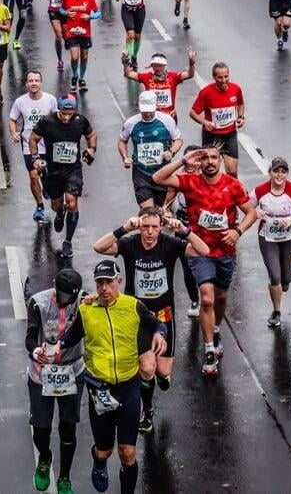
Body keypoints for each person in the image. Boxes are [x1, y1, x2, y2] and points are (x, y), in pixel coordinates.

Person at [93, 207, 208, 433]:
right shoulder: (130, 244)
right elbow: (99, 247)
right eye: (145, 226)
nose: (149, 232)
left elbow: (203, 250)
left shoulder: (170, 244)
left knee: (162, 372)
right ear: (139, 226)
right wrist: (124, 228)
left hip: (164, 315)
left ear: (161, 227)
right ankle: (147, 410)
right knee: (147, 368)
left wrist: (184, 230)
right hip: (137, 315)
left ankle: (161, 378)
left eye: (155, 227)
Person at [57, 261, 167, 494]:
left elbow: (157, 323)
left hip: (128, 387)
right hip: (100, 390)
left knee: (127, 452)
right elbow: (72, 336)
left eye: (109, 282)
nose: (104, 288)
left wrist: (159, 334)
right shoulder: (86, 310)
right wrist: (55, 347)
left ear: (119, 282)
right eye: (100, 283)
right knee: (104, 450)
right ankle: (99, 462)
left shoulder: (133, 306)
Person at [151, 147, 256, 377]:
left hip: (226, 250)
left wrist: (238, 231)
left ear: (220, 161)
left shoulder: (233, 185)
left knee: (220, 297)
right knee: (206, 298)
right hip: (200, 250)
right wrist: (182, 161)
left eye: (213, 158)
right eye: (205, 158)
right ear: (199, 162)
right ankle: (209, 350)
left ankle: (216, 330)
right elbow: (157, 178)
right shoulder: (190, 182)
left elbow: (251, 212)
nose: (209, 162)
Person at [25, 267, 86, 493]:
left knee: (68, 428)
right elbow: (30, 336)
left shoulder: (84, 302)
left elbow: (84, 329)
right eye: (62, 295)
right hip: (42, 374)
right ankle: (45, 457)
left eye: (70, 297)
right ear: (54, 285)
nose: (65, 301)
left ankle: (64, 477)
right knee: (41, 428)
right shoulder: (38, 303)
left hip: (71, 371)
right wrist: (35, 352)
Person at [32, 94, 97, 258]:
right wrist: (36, 158)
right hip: (53, 170)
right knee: (56, 204)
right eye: (63, 112)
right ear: (58, 109)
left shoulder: (80, 120)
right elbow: (32, 138)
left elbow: (91, 136)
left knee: (72, 201)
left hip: (72, 169)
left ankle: (68, 241)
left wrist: (91, 149)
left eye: (70, 112)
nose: (67, 116)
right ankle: (60, 213)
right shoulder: (47, 121)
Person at [253, 157, 291, 330]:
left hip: (288, 238)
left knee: (287, 278)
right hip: (267, 237)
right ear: (270, 172)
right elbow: (247, 207)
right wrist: (256, 211)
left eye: (283, 171)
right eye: (276, 171)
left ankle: (284, 283)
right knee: (274, 275)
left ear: (286, 173)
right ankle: (276, 311)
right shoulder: (260, 190)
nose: (279, 175)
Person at [9, 70, 59, 224]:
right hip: (29, 145)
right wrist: (14, 132)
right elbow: (12, 119)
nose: (34, 83)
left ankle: (46, 186)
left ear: (41, 83)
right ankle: (39, 206)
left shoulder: (50, 99)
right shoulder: (20, 102)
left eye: (36, 80)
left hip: (48, 145)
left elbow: (57, 117)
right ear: (26, 84)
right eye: (31, 81)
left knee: (47, 175)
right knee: (33, 175)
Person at [188, 62, 245, 177]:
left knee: (232, 172)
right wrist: (205, 122)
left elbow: (240, 104)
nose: (224, 80)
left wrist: (240, 117)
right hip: (211, 135)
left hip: (230, 134)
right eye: (220, 77)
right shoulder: (206, 93)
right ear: (214, 77)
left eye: (226, 76)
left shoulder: (236, 89)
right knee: (208, 170)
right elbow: (193, 112)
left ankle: (232, 193)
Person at [123, 48, 195, 118]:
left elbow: (189, 74)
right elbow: (128, 74)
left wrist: (191, 64)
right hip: (153, 117)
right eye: (155, 66)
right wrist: (125, 61)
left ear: (164, 65)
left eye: (160, 66)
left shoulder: (173, 77)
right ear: (152, 66)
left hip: (170, 116)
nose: (157, 69)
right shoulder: (147, 77)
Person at [117, 0, 152, 67]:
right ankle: (128, 56)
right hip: (127, 9)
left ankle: (134, 56)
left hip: (139, 10)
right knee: (130, 34)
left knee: (137, 35)